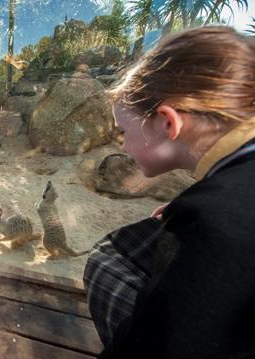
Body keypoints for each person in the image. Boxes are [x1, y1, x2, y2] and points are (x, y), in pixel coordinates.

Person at [83, 26, 255, 358]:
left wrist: (197, 218)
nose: (122, 144)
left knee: (108, 259)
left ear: (168, 123)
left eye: (123, 132)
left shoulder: (217, 222)